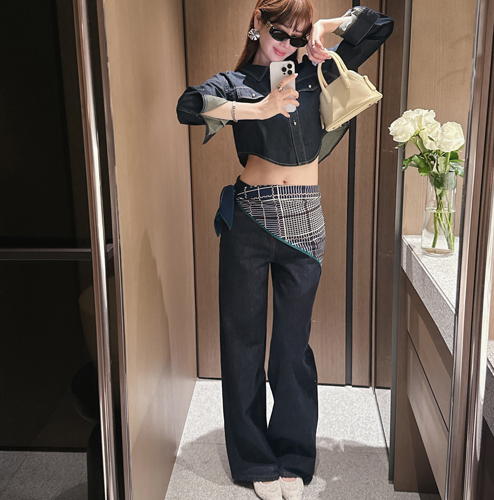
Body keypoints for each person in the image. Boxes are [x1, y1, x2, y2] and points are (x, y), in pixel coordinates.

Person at [176, 1, 393, 498]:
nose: (288, 45)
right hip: (250, 220)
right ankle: (254, 459)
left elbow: (380, 26)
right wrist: (259, 108)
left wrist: (326, 28)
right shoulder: (237, 82)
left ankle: (294, 454)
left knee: (293, 347)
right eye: (280, 33)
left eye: (297, 37)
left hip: (306, 221)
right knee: (243, 342)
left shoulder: (314, 70)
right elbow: (188, 106)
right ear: (257, 23)